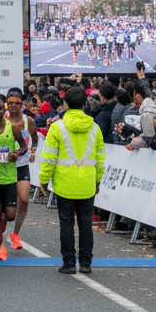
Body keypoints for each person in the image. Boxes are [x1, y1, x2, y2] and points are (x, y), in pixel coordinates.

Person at [39, 87, 105, 274]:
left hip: (64, 184)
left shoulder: (57, 127)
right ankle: (85, 263)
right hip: (87, 183)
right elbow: (100, 158)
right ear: (85, 102)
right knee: (85, 224)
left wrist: (44, 180)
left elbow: (49, 158)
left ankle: (68, 263)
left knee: (66, 224)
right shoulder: (94, 127)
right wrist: (97, 180)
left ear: (65, 103)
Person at [0, 98, 28, 261]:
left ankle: (3, 226)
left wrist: (16, 154)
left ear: (3, 110)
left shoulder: (13, 127)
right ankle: (0, 246)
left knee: (9, 215)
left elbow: (23, 147)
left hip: (9, 176)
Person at [5, 94, 37, 249]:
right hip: (4, 167)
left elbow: (34, 137)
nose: (13, 106)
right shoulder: (1, 120)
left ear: (22, 105)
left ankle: (15, 234)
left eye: (16, 103)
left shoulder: (28, 121)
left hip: (22, 166)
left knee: (23, 200)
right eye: (10, 103)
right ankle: (5, 230)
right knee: (6, 204)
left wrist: (33, 151)